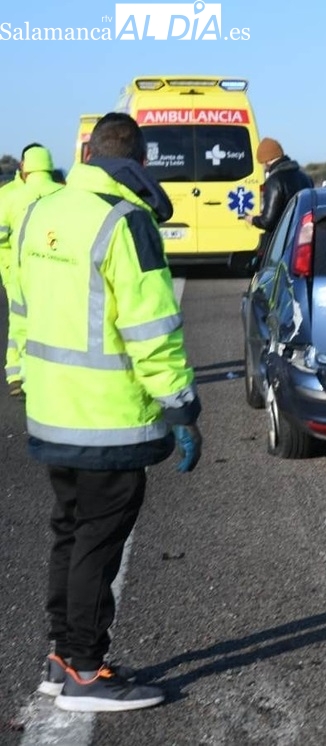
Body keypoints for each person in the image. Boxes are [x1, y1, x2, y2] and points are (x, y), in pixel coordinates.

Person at [15, 112, 203, 712]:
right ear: (140, 163)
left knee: (71, 535)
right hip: (108, 418)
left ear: (88, 154)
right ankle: (87, 673)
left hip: (51, 409)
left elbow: (22, 307)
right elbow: (151, 329)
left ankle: (61, 657)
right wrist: (182, 406)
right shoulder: (126, 221)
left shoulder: (41, 213)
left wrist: (19, 374)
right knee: (98, 542)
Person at [0, 144, 65, 397]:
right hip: (58, 269)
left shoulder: (11, 196)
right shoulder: (65, 193)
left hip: (19, 272)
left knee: (20, 324)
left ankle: (20, 375)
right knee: (57, 323)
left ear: (24, 167)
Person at [244, 137, 313, 258]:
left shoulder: (274, 181)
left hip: (282, 241)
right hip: (304, 236)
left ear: (267, 160)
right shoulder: (305, 177)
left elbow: (268, 221)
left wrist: (252, 219)